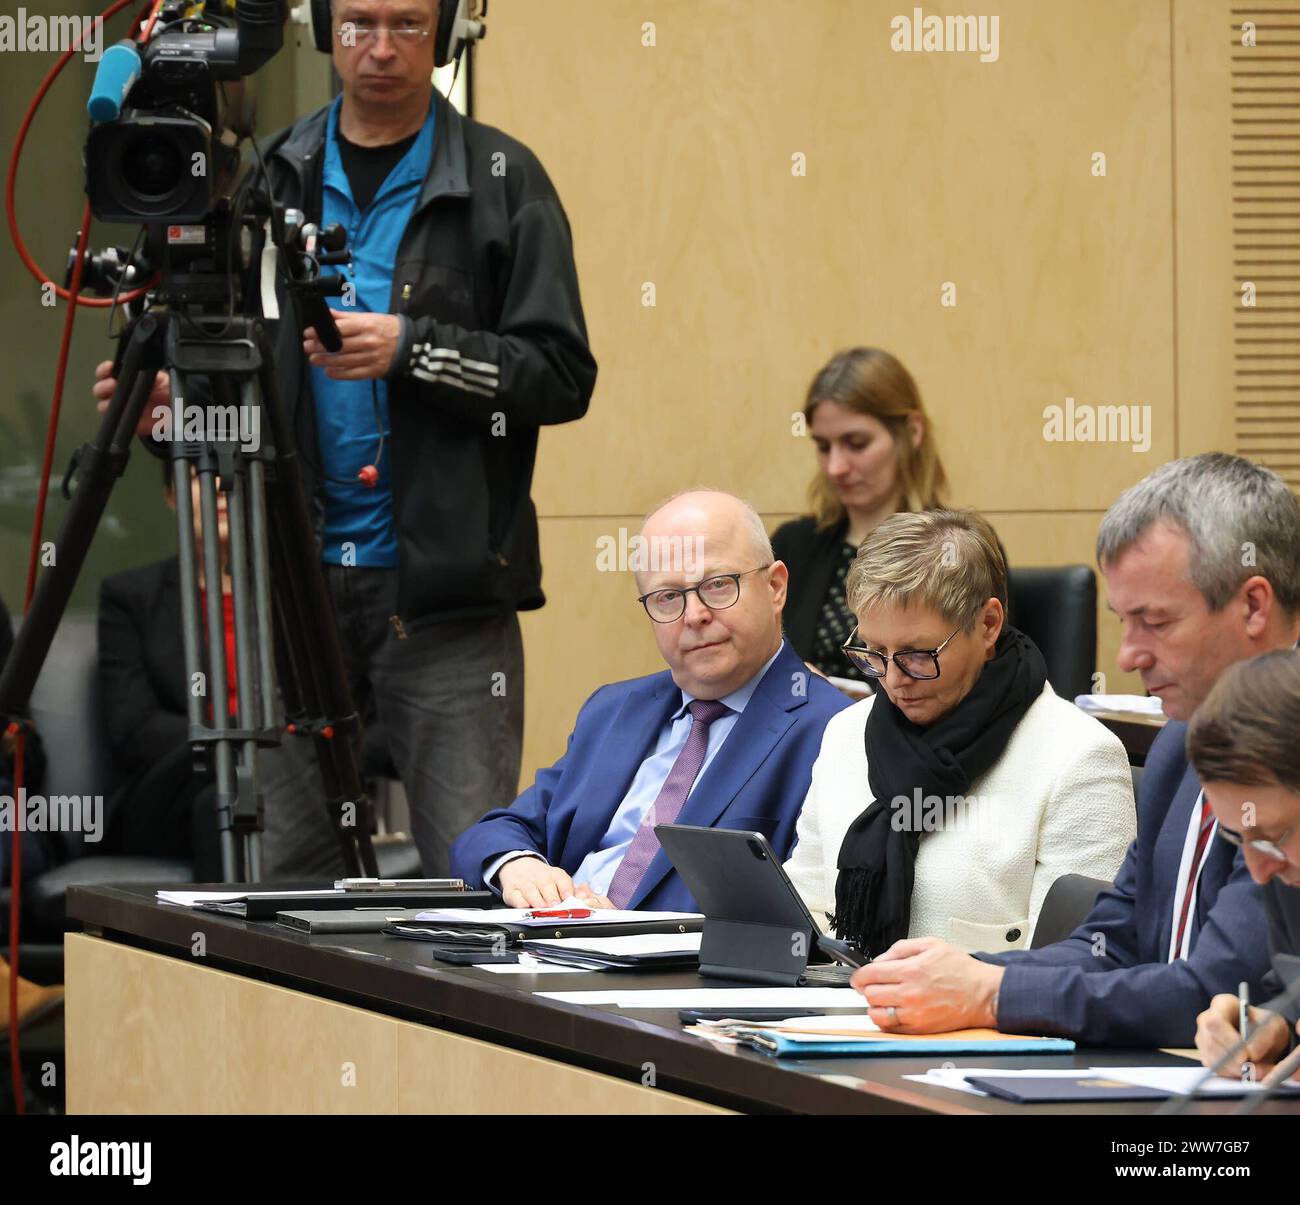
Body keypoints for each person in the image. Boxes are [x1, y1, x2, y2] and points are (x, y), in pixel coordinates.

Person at [93, 0, 598, 875]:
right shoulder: (265, 176)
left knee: (473, 875)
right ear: (327, 31)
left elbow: (559, 376)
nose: (382, 49)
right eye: (360, 23)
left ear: (440, 33)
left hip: (444, 597)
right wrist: (168, 413)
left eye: (407, 24)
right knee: (290, 883)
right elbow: (227, 384)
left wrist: (417, 349)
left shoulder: (503, 177)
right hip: (290, 589)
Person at [846, 454, 1300, 1047]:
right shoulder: (1178, 747)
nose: (1127, 658)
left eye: (1154, 622)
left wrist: (990, 994)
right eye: (1122, 622)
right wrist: (967, 976)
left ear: (1254, 605)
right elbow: (1117, 942)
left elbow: (1221, 986)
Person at [450, 490, 851, 910]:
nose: (694, 615)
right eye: (667, 597)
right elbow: (496, 831)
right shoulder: (614, 710)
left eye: (716, 586)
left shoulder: (832, 732)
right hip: (548, 952)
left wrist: (622, 934)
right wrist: (519, 866)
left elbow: (803, 923)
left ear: (774, 587)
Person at [784, 509, 1134, 958]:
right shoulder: (846, 734)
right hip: (830, 1015)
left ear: (987, 625)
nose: (892, 679)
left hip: (981, 1025)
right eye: (873, 653)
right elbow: (806, 908)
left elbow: (1078, 966)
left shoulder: (1079, 756)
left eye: (916, 654)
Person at [97, 463, 339, 879]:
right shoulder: (131, 597)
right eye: (196, 475)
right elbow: (134, 729)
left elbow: (353, 717)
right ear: (171, 497)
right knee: (226, 793)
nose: (218, 484)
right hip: (170, 792)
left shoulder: (300, 597)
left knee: (229, 798)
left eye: (232, 472)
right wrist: (248, 739)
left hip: (286, 784)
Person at [772, 348, 948, 682]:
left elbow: (975, 684)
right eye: (824, 447)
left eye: (856, 443)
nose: (836, 467)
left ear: (911, 432)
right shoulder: (793, 546)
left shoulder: (957, 551)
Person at [1188, 651, 1300, 1076]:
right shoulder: (1283, 872)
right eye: (1238, 837)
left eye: (1273, 837)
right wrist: (1272, 1025)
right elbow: (1291, 993)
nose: (1257, 869)